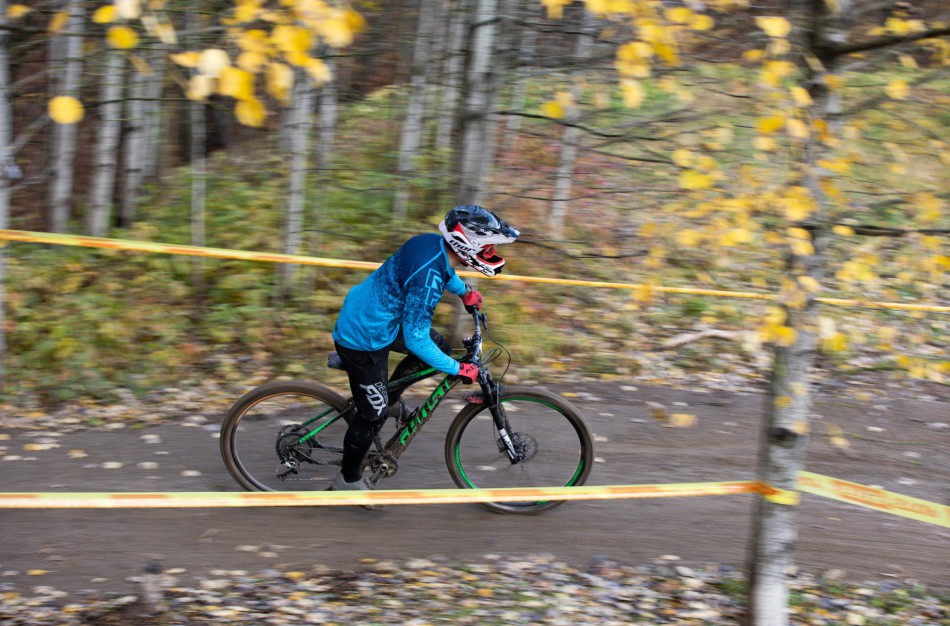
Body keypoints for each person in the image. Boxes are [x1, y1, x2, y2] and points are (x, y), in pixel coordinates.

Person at [328, 205, 520, 501]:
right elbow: (417, 340)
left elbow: (444, 269)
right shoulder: (428, 279)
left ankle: (388, 396)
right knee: (373, 414)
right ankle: (347, 481)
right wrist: (457, 369)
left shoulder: (430, 242)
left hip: (376, 317)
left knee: (439, 344)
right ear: (467, 243)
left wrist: (463, 290)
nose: (491, 252)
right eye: (487, 247)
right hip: (363, 337)